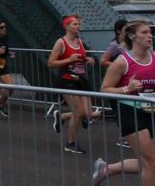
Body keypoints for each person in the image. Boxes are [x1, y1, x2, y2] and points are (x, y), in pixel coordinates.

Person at [93, 21, 155, 185]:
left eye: (150, 32)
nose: (150, 36)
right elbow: (104, 89)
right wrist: (127, 89)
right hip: (131, 112)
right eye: (144, 32)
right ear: (133, 36)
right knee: (150, 163)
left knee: (150, 162)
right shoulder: (122, 62)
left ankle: (107, 169)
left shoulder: (154, 57)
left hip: (152, 110)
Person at [47, 13, 97, 154]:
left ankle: (61, 116)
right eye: (75, 24)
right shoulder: (61, 42)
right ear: (67, 26)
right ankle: (70, 143)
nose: (78, 26)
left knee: (87, 114)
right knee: (78, 111)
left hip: (80, 79)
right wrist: (68, 60)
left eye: (79, 24)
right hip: (66, 79)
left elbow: (79, 58)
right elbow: (51, 63)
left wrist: (87, 59)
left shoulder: (79, 41)